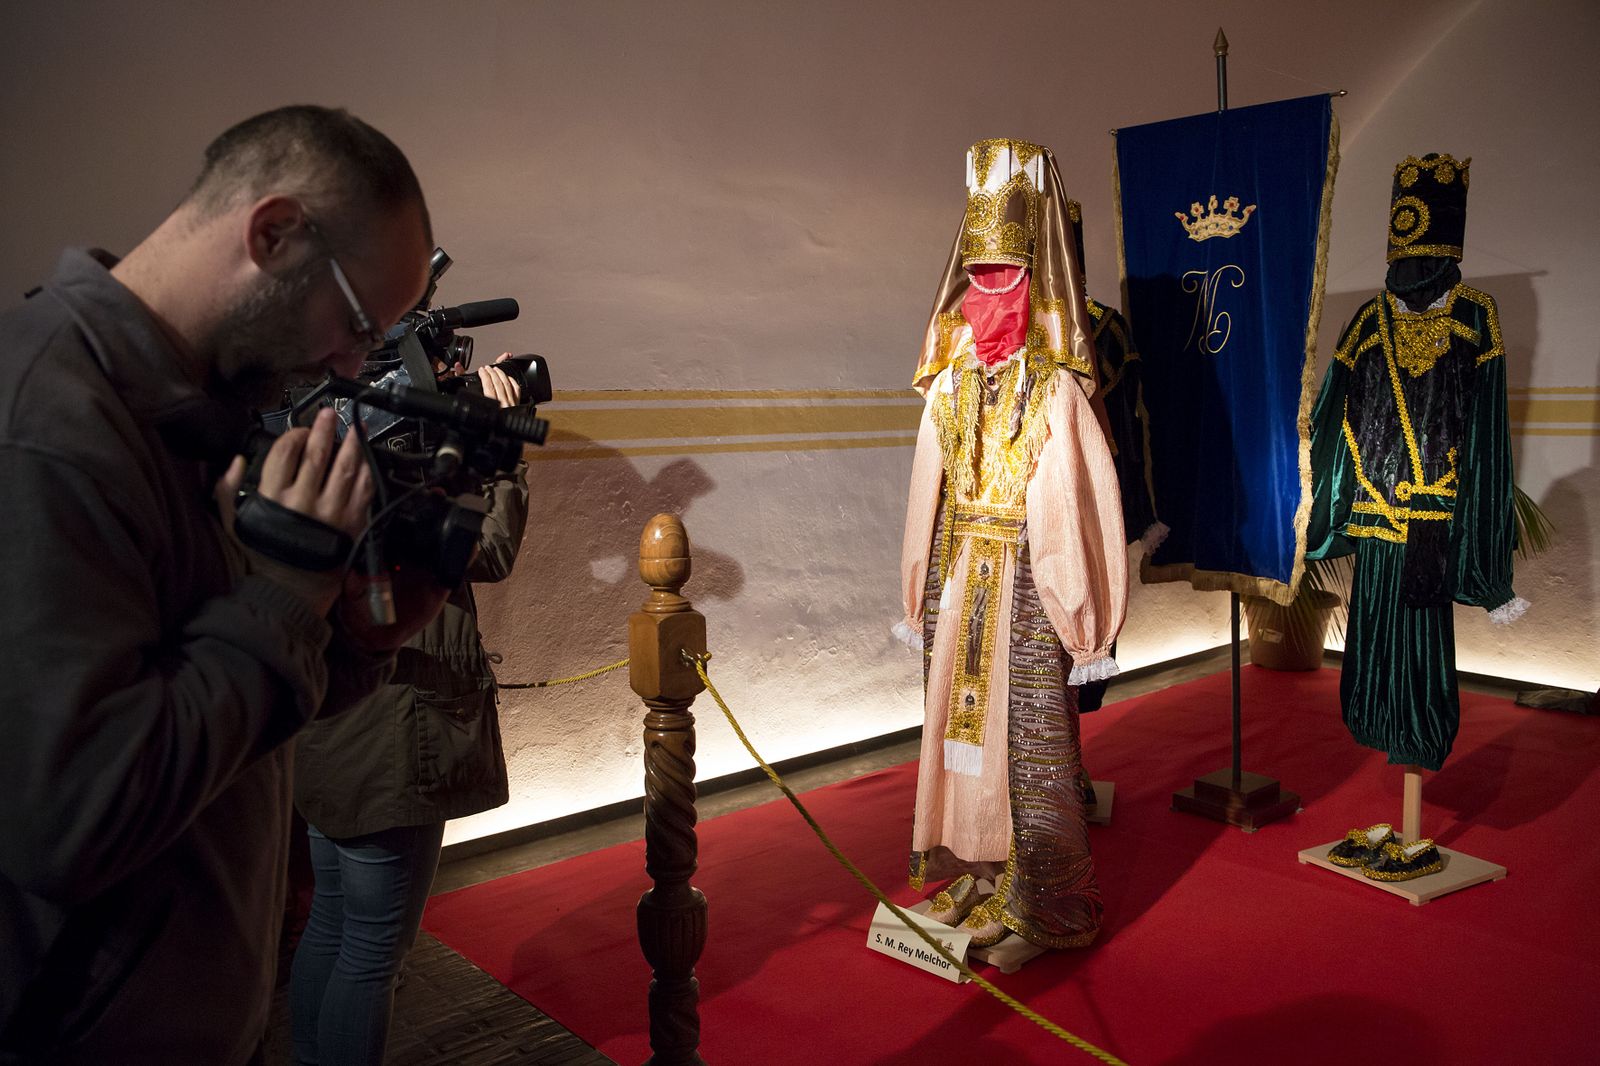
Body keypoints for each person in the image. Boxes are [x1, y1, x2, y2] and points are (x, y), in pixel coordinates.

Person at [0, 105, 445, 1064]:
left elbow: (202, 701)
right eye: (360, 324)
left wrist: (351, 642)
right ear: (273, 233)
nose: (356, 364)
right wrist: (287, 591)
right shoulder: (48, 424)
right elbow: (74, 817)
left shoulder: (184, 409)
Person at [899, 139, 1127, 950]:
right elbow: (927, 492)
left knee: (1031, 744)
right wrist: (918, 587)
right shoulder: (951, 380)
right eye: (978, 273)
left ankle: (1049, 903)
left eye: (1008, 275)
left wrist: (1083, 620)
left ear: (1035, 279)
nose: (990, 290)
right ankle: (982, 873)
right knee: (959, 738)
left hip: (1028, 583)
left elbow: (1077, 502)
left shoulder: (1056, 385)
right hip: (959, 581)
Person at [289, 354, 529, 1065]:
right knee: (373, 953)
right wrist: (506, 449)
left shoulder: (320, 443)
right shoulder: (396, 472)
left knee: (330, 927)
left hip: (329, 729)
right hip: (394, 736)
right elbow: (488, 549)